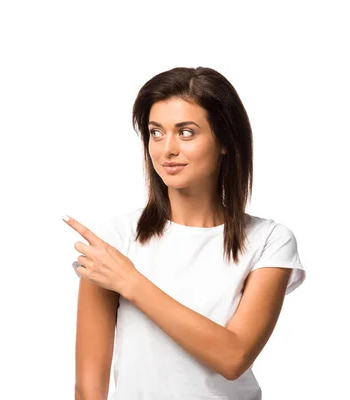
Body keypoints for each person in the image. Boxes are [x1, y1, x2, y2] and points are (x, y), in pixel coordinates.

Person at [65, 66, 306, 400]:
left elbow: (233, 357)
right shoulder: (114, 241)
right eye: (156, 132)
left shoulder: (269, 241)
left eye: (186, 132)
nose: (167, 149)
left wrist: (130, 282)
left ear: (224, 141)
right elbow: (88, 389)